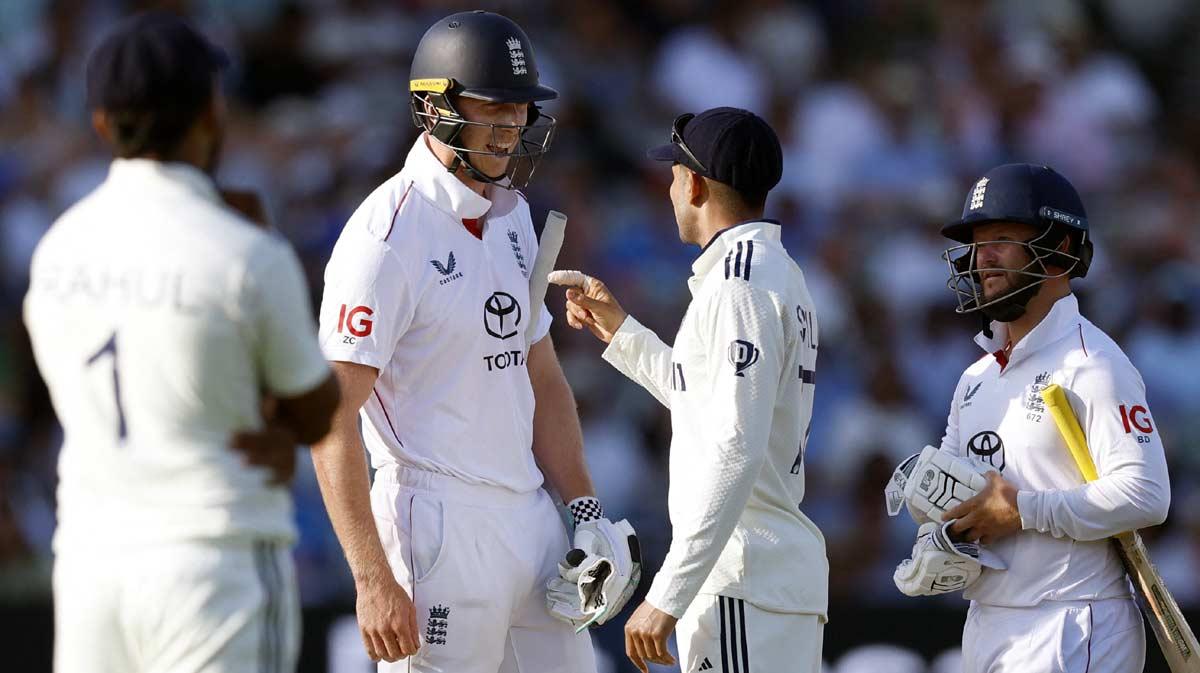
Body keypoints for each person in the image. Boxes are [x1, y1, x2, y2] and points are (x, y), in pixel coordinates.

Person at [311, 10, 637, 672]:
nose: (513, 125)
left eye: (520, 109)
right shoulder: (385, 238)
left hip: (530, 518)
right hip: (435, 524)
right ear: (433, 109)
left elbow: (540, 375)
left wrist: (584, 511)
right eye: (494, 107)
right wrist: (373, 578)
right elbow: (330, 419)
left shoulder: (514, 214)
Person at [23, 11, 340, 673]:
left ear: (103, 123)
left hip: (90, 565)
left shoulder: (56, 249)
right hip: (212, 558)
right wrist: (273, 421)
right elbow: (317, 411)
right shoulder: (247, 252)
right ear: (210, 112)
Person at [549, 107, 828, 673]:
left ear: (696, 183)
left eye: (674, 175)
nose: (670, 189)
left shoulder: (740, 283)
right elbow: (711, 405)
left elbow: (734, 446)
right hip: (761, 580)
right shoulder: (773, 271)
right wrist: (622, 333)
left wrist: (667, 593)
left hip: (743, 579)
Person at [889, 163, 1170, 672]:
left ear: (1061, 248)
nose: (982, 258)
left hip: (1072, 624)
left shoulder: (1093, 363)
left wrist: (1023, 510)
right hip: (987, 621)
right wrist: (936, 517)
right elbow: (961, 499)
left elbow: (1145, 495)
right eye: (977, 243)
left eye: (1000, 238)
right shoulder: (975, 378)